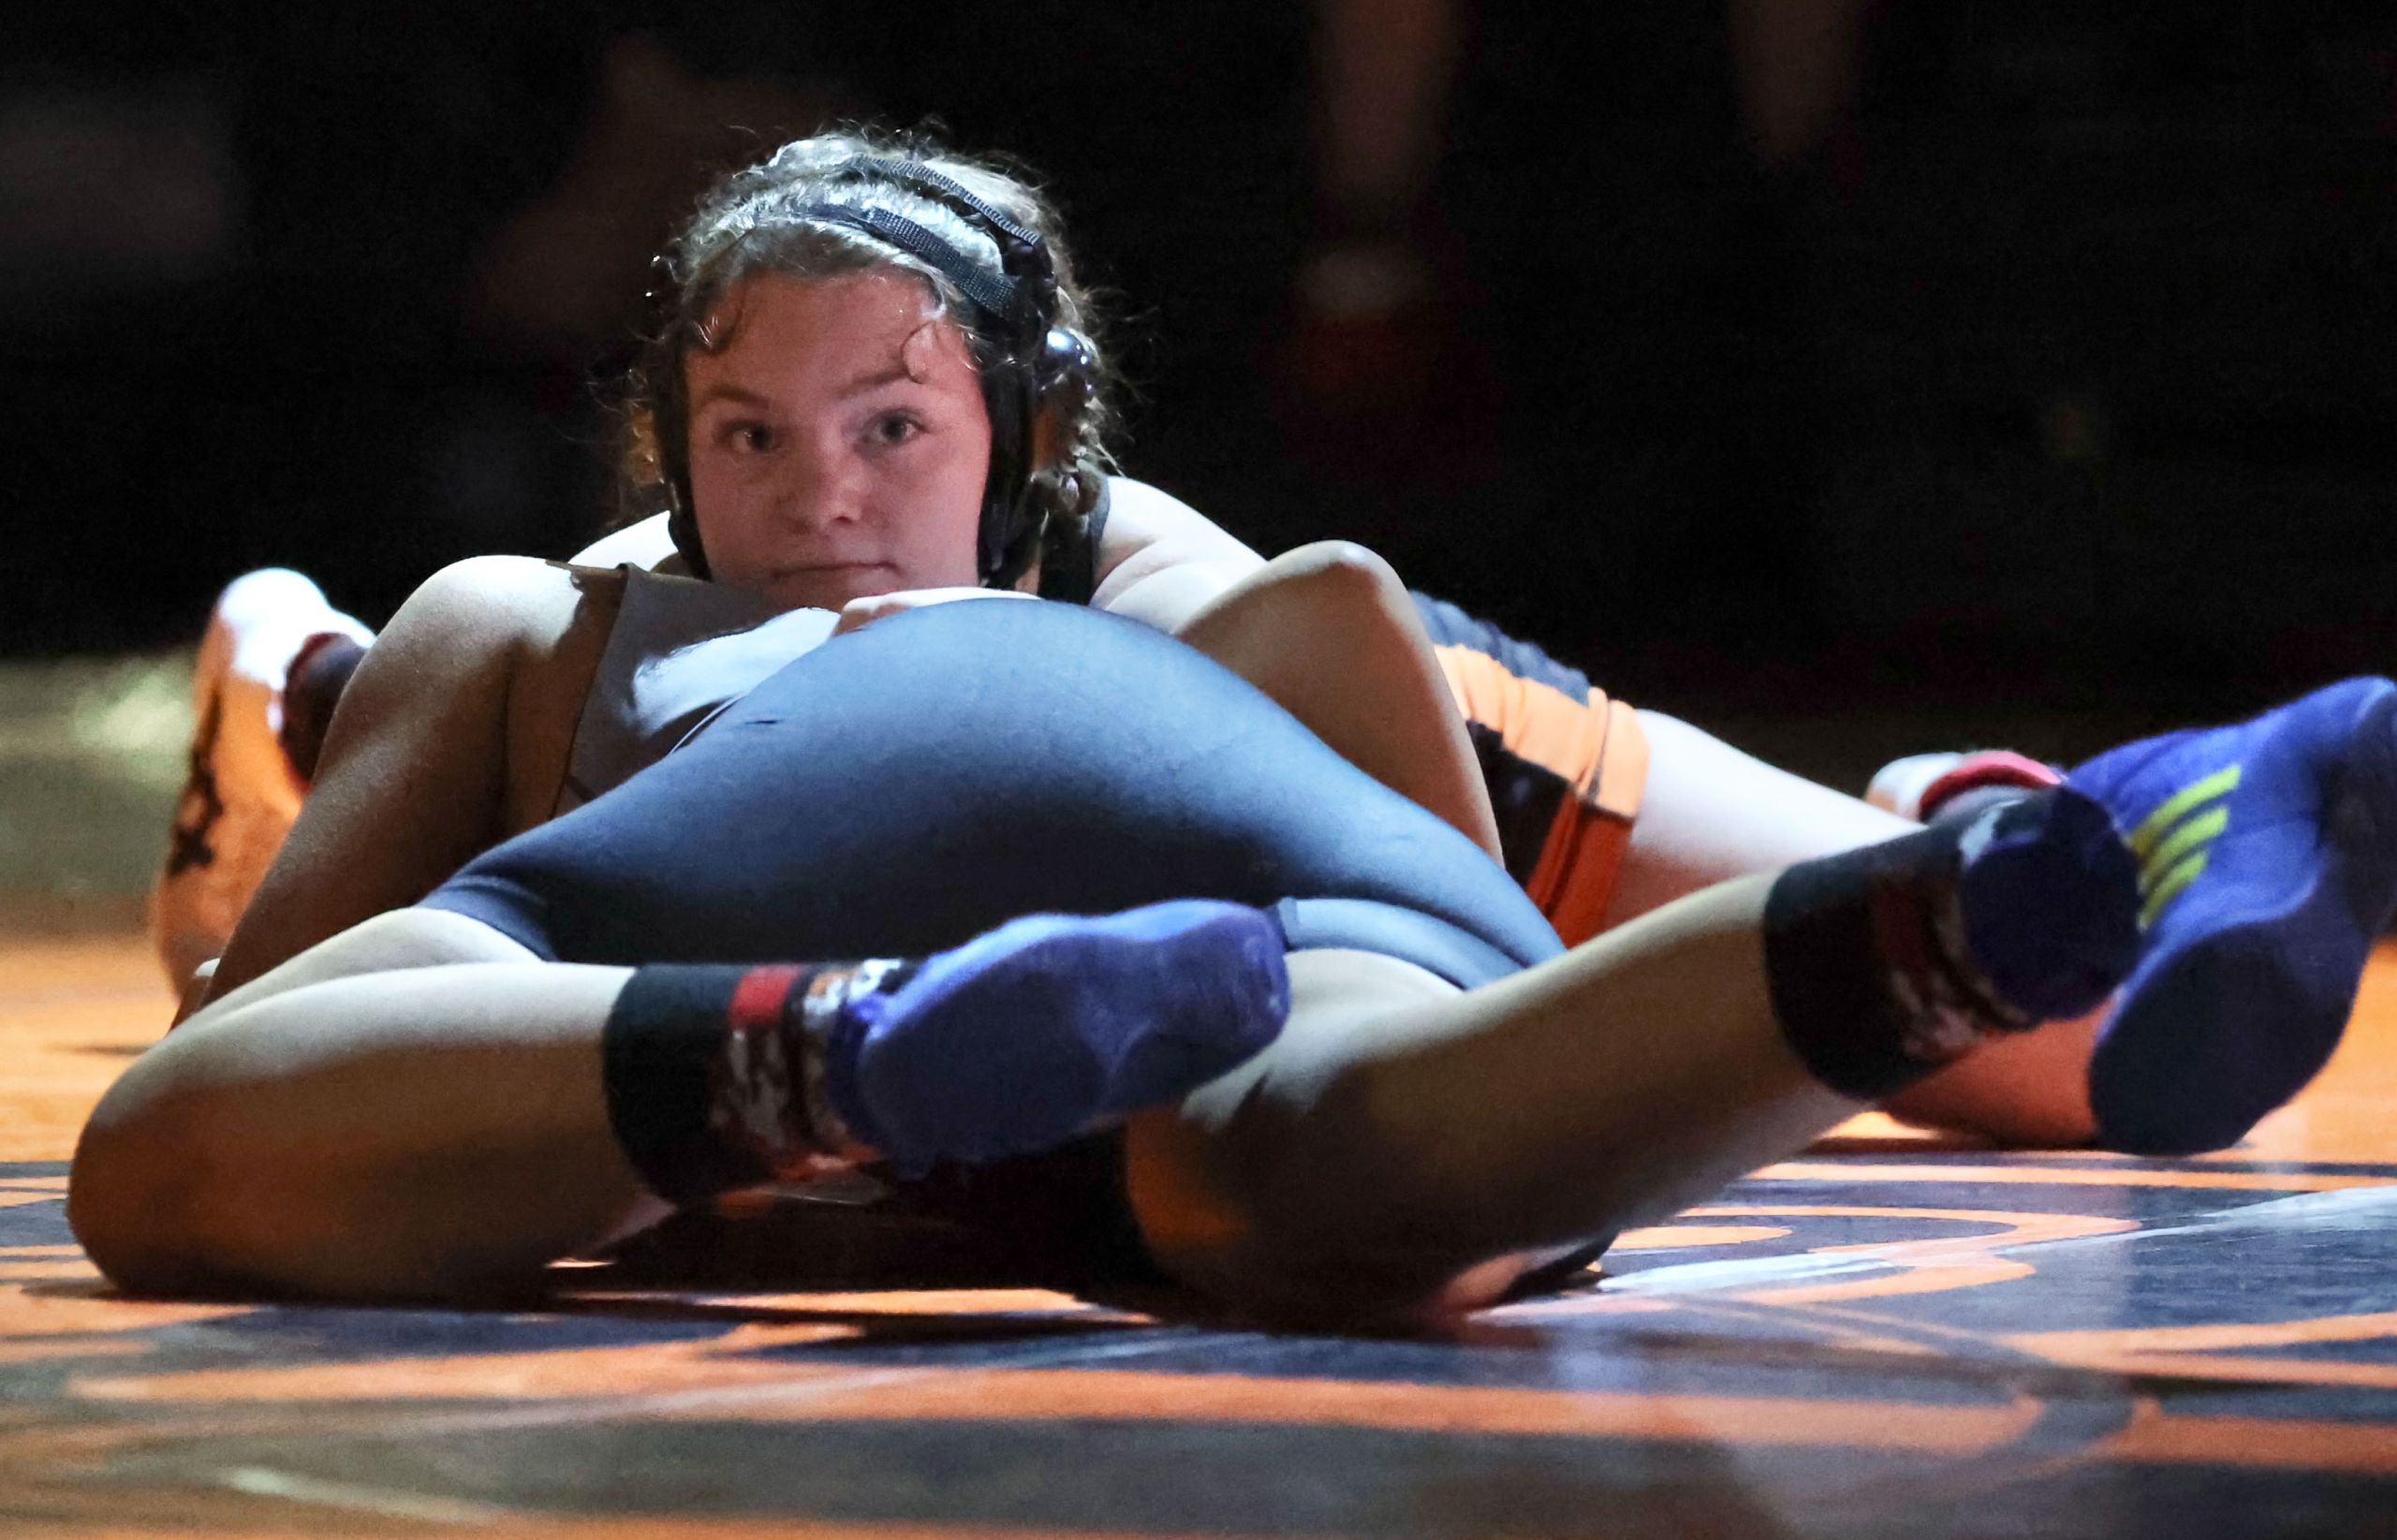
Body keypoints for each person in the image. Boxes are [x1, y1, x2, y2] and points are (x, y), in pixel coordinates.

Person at [71, 584, 2397, 1320]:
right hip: (1210, 809)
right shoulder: (532, 629)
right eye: (759, 435)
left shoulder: (555, 651)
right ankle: (2000, 884)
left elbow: (1330, 615)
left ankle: (843, 1056)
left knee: (184, 1147)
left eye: (888, 422)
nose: (828, 491)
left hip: (1150, 767)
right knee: (1268, 1175)